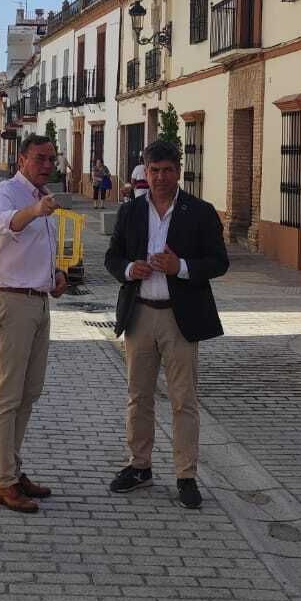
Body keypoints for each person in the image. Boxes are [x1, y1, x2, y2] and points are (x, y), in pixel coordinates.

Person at [104, 139, 229, 510]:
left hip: (180, 318)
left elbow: (219, 262)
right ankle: (139, 466)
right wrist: (129, 269)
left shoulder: (200, 212)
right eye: (154, 170)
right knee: (138, 397)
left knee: (182, 400)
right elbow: (112, 257)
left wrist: (183, 267)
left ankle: (186, 475)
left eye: (167, 170)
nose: (160, 177)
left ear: (179, 170)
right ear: (145, 171)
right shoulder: (130, 212)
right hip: (139, 314)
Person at [0, 134, 67, 513]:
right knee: (7, 396)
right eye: (40, 158)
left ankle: (13, 470)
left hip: (38, 301)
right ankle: (3, 483)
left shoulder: (39, 196)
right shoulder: (7, 193)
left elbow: (34, 249)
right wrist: (35, 212)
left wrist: (56, 275)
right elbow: (1, 225)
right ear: (21, 159)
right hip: (11, 303)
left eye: (52, 159)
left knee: (29, 392)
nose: (47, 165)